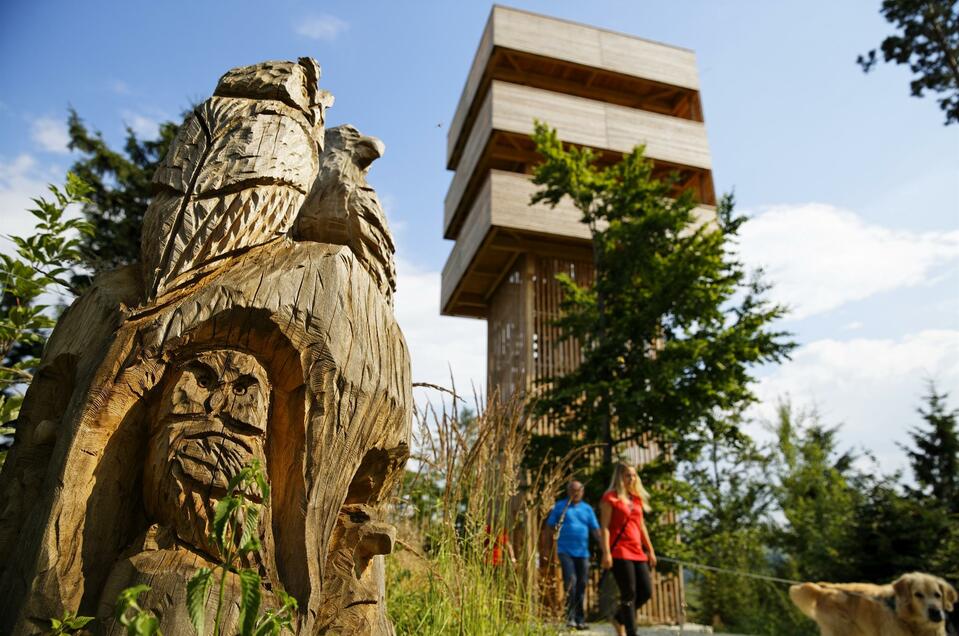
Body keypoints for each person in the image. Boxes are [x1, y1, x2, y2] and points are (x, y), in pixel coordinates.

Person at [599, 463, 657, 636]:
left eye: (633, 475)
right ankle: (632, 632)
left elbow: (641, 526)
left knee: (646, 592)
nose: (631, 478)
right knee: (629, 593)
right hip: (619, 551)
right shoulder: (610, 498)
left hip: (637, 551)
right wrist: (606, 553)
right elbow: (605, 527)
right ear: (619, 477)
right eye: (627, 475)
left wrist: (650, 550)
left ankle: (619, 617)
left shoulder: (636, 499)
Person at [543, 480, 601, 630]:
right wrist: (547, 547)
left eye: (579, 490)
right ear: (568, 491)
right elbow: (549, 526)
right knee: (571, 583)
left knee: (582, 584)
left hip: (583, 552)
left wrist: (605, 548)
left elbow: (595, 530)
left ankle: (580, 619)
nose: (576, 493)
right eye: (573, 490)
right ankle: (570, 618)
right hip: (565, 551)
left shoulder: (587, 509)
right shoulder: (560, 507)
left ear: (582, 492)